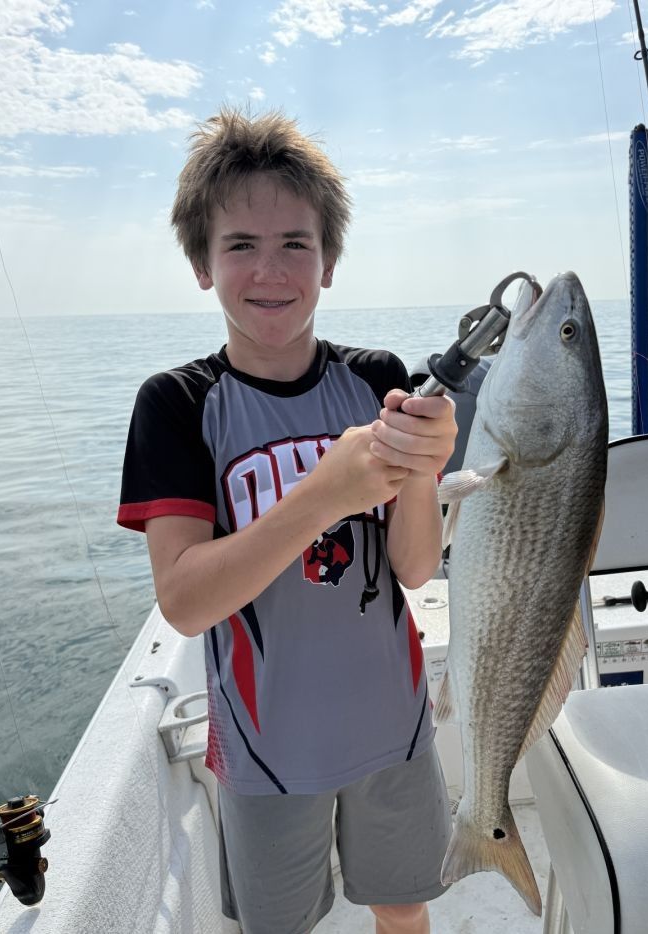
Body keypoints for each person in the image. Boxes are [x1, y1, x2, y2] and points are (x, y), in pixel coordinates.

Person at [118, 107, 458, 934]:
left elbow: (415, 568)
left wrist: (425, 468)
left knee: (404, 906)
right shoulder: (176, 405)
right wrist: (323, 494)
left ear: (328, 261)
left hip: (396, 724)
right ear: (201, 264)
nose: (270, 270)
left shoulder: (375, 379)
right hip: (266, 753)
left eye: (295, 244)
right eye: (240, 244)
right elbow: (186, 601)